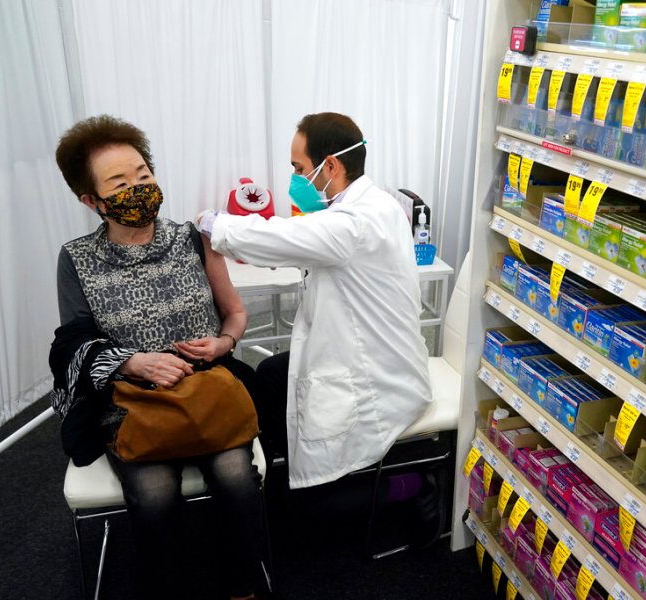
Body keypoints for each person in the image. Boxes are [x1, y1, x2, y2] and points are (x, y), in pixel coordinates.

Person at [48, 115, 270, 600]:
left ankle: (243, 588)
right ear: (91, 201)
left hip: (208, 388)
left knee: (236, 478)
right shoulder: (77, 258)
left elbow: (233, 314)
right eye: (120, 184)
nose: (138, 188)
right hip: (131, 400)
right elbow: (73, 344)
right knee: (153, 493)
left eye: (144, 175)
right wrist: (132, 362)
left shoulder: (192, 237)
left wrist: (224, 344)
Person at [196, 112, 432, 490]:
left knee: (314, 495)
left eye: (298, 167)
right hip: (373, 351)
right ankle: (278, 469)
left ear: (331, 165)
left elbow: (279, 238)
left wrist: (214, 224)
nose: (294, 178)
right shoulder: (374, 204)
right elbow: (315, 236)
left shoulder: (354, 222)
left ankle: (410, 487)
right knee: (272, 375)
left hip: (374, 375)